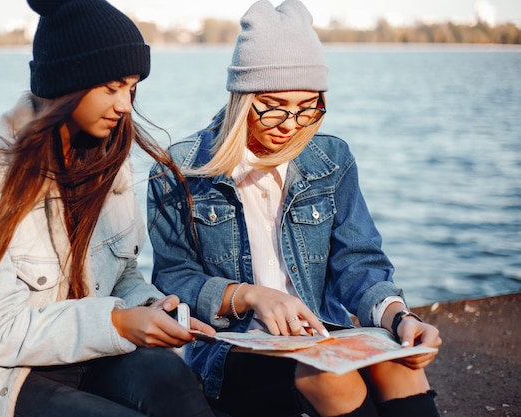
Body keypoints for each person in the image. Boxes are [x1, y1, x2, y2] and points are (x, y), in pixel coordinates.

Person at [146, 1, 442, 416]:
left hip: (321, 335)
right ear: (242, 98)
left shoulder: (332, 160)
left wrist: (399, 317)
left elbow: (358, 264)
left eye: (308, 107)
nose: (291, 122)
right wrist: (249, 296)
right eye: (274, 105)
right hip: (234, 351)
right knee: (327, 375)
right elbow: (173, 278)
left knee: (400, 362)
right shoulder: (179, 169)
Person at [0, 0, 217, 416]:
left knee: (177, 382)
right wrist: (117, 323)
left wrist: (153, 307)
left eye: (131, 88)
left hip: (92, 353)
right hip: (6, 371)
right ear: (67, 82)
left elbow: (123, 275)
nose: (125, 106)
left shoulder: (107, 161)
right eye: (111, 87)